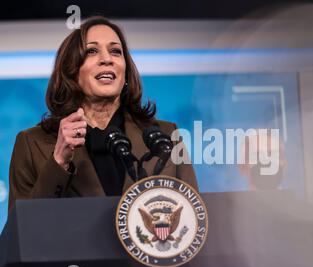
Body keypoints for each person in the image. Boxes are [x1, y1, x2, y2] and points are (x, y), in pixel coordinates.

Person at [8, 16, 197, 215]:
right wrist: (59, 162)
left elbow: (194, 220)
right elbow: (22, 231)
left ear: (125, 71)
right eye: (92, 51)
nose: (107, 59)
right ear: (71, 71)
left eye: (116, 51)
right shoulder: (31, 143)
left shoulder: (167, 136)